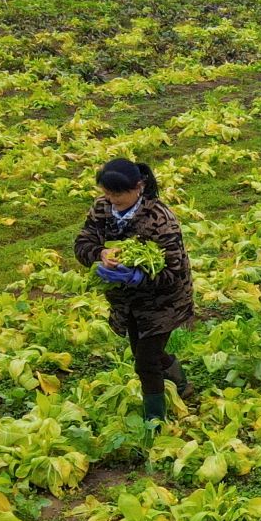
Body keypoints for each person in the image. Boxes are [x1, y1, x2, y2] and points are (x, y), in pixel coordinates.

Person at [73, 159, 195, 427]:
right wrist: (100, 254)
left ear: (138, 187)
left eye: (117, 194)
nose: (111, 199)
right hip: (126, 302)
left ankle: (155, 420)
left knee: (145, 362)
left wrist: (138, 276)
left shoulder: (161, 219)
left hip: (164, 302)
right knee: (143, 349)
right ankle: (181, 384)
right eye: (107, 193)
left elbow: (173, 271)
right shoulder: (102, 208)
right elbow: (83, 242)